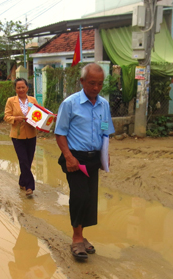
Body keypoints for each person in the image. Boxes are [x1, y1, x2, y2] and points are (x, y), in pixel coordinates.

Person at [55, 63, 115, 260]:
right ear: (82, 82)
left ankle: (82, 234)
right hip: (75, 158)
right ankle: (76, 238)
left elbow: (105, 128)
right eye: (91, 83)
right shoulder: (70, 104)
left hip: (94, 158)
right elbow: (60, 133)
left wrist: (105, 152)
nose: (96, 88)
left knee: (89, 198)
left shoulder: (103, 105)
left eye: (100, 84)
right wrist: (68, 157)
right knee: (80, 196)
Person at [4, 78, 39, 196]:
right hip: (17, 135)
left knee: (28, 161)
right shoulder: (11, 101)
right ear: (15, 89)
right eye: (18, 87)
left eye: (23, 87)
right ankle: (30, 186)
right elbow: (6, 116)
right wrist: (15, 119)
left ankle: (22, 181)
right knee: (23, 160)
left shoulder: (33, 100)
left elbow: (39, 114)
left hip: (31, 134)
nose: (21, 89)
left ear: (27, 88)